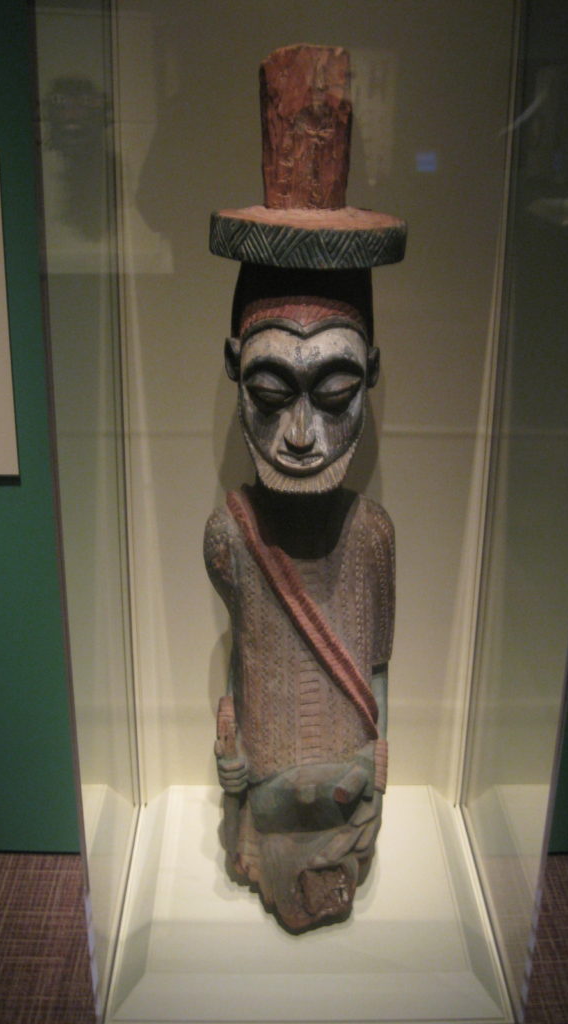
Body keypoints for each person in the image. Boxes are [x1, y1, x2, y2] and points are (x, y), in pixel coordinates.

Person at [204, 266, 394, 930]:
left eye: (336, 391)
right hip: (271, 777)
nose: (301, 435)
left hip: (347, 780)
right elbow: (243, 650)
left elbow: (375, 668)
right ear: (236, 369)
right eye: (269, 391)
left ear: (370, 372)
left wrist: (376, 757)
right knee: (273, 837)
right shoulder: (230, 534)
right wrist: (234, 758)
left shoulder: (370, 534)